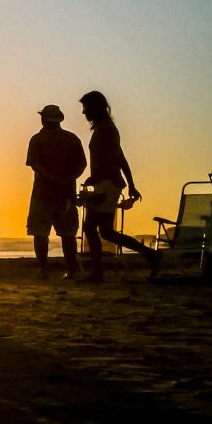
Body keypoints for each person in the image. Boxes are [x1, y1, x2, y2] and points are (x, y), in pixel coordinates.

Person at [78, 91, 162, 282]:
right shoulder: (103, 127)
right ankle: (150, 255)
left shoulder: (106, 128)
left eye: (85, 107)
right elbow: (119, 157)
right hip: (105, 182)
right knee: (101, 230)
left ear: (95, 107)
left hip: (108, 184)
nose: (83, 112)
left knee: (93, 228)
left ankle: (98, 273)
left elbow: (118, 158)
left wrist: (130, 184)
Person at [26, 104, 86, 279]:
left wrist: (50, 177)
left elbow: (35, 165)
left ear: (44, 119)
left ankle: (44, 269)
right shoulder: (72, 139)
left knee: (40, 233)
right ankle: (72, 269)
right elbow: (82, 165)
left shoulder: (37, 139)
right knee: (67, 234)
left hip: (43, 194)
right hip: (65, 193)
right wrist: (69, 178)